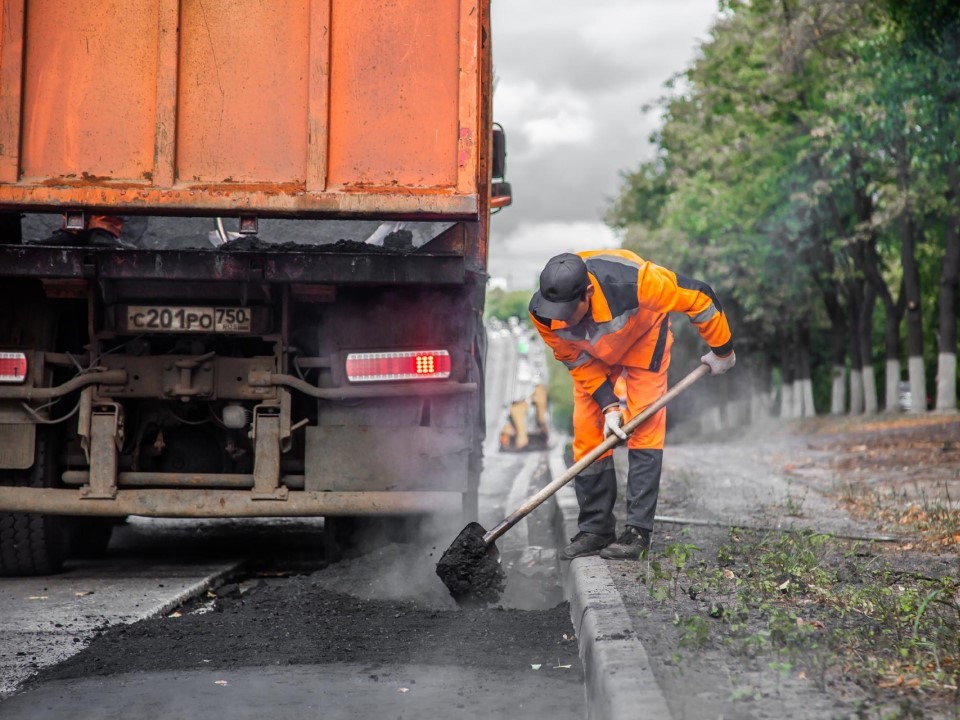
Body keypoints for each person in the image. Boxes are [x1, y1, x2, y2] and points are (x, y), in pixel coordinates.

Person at [529, 250, 735, 560]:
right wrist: (609, 406)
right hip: (593, 359)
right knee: (587, 434)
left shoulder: (635, 282)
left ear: (588, 292)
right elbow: (575, 361)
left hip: (644, 342)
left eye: (569, 310)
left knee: (645, 428)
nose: (563, 318)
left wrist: (722, 349)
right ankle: (596, 529)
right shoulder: (543, 313)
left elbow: (699, 296)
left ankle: (637, 531)